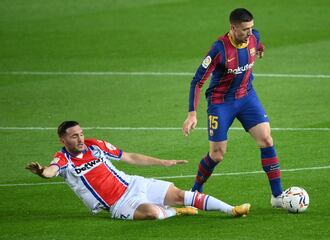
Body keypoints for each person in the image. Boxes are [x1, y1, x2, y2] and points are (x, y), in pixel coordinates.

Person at [26, 121, 251, 220]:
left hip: (133, 183)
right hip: (118, 204)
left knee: (182, 195)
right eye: (74, 136)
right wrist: (41, 171)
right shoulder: (63, 158)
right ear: (63, 139)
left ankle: (231, 210)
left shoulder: (96, 145)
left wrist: (162, 162)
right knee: (153, 214)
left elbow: (129, 156)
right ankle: (174, 212)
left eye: (82, 133)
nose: (81, 138)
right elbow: (52, 171)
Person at [182, 8, 284, 208]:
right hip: (221, 103)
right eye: (245, 29)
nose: (249, 33)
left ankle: (277, 196)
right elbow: (197, 81)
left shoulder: (254, 37)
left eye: (251, 28)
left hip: (247, 96)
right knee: (217, 154)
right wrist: (191, 114)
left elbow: (257, 41)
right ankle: (195, 191)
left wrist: (260, 47)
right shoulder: (219, 49)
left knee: (266, 138)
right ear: (233, 28)